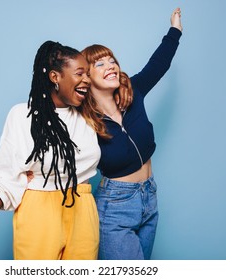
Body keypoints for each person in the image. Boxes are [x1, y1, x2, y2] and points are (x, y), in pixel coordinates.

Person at [0, 41, 105, 260]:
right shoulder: (23, 116)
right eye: (80, 73)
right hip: (39, 208)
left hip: (83, 206)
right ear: (55, 77)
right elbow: (6, 179)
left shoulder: (87, 115)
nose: (87, 80)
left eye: (88, 74)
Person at [79, 7, 183, 260]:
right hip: (115, 207)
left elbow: (159, 64)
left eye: (112, 60)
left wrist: (175, 31)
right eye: (100, 63)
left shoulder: (132, 93)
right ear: (87, 77)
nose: (110, 66)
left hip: (149, 198)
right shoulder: (83, 121)